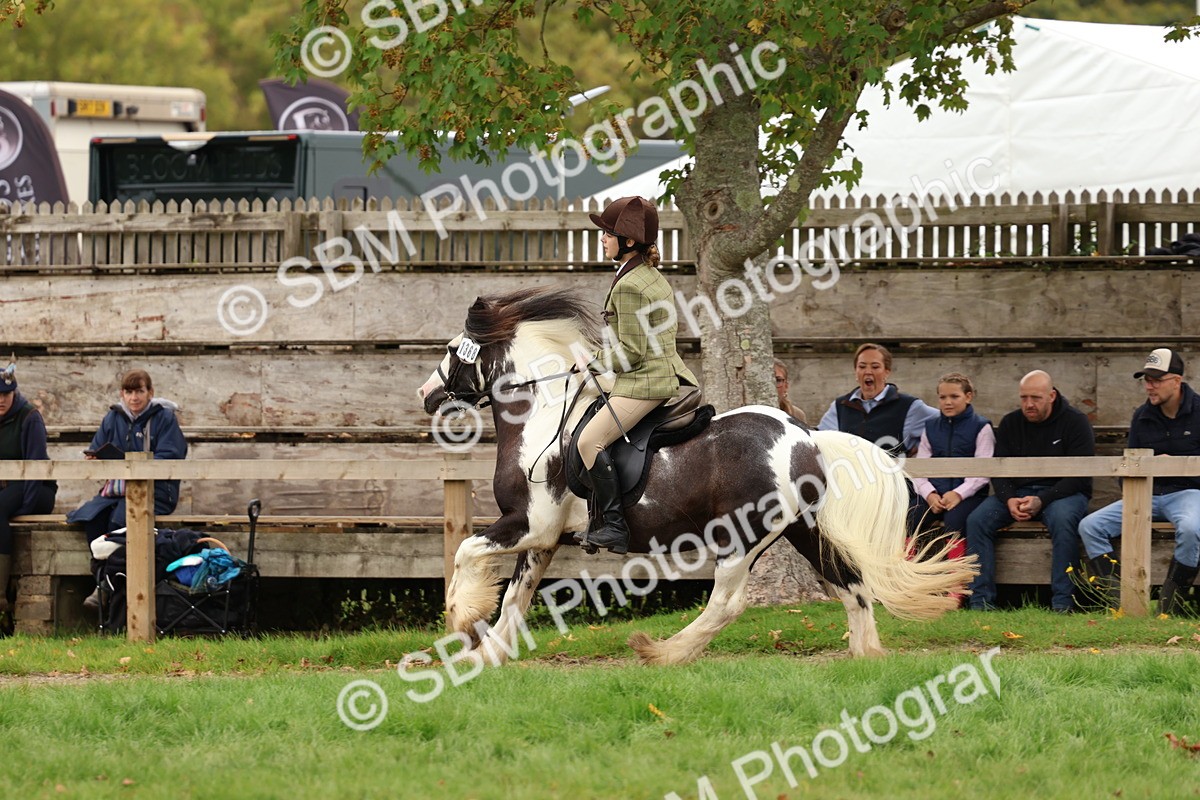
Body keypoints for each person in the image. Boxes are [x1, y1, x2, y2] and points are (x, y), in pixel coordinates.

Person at [573, 196, 697, 555]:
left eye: (607, 233)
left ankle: (613, 525)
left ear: (627, 241)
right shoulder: (648, 275)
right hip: (659, 371)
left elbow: (630, 352)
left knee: (588, 442)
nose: (602, 238)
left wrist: (592, 361)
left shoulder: (629, 286)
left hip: (645, 382)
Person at [1078, 349, 1200, 614]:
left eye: (1156, 379)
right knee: (1090, 526)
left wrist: (1176, 466)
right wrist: (1135, 495)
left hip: (1189, 493)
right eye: (1146, 379)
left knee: (1191, 529)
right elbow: (1129, 466)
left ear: (1176, 381)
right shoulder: (1141, 415)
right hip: (1145, 493)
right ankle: (1122, 602)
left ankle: (1171, 607)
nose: (1149, 386)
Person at [964, 370, 1094, 612]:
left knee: (1064, 520)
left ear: (1052, 395)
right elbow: (999, 470)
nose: (1029, 404)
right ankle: (980, 602)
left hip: (1062, 494)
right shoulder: (1011, 422)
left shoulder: (1076, 422)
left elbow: (1081, 476)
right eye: (1024, 398)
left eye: (1035, 398)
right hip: (1018, 491)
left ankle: (1064, 603)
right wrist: (1009, 498)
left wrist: (1042, 500)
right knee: (977, 520)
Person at [68, 370, 188, 608]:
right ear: (122, 394)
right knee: (92, 519)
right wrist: (96, 458)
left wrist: (136, 464)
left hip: (157, 491)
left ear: (150, 393)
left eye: (140, 391)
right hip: (115, 490)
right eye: (129, 392)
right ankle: (104, 582)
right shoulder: (113, 418)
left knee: (119, 521)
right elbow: (96, 448)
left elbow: (172, 455)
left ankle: (110, 586)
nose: (134, 397)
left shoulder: (164, 418)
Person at [0, 365, 57, 618]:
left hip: (35, 490)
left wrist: (25, 508)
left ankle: (1, 597)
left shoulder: (29, 417)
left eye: (5, 394)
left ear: (14, 392)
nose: (1, 400)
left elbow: (36, 467)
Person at [909, 372, 995, 537]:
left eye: (954, 396)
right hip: (935, 495)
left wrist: (958, 494)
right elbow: (920, 468)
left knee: (955, 522)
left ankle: (956, 562)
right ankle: (908, 561)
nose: (947, 402)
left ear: (968, 397)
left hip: (969, 496)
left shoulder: (981, 427)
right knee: (910, 518)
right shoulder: (930, 427)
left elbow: (983, 472)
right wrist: (929, 494)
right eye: (943, 397)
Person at [817, 343, 936, 456]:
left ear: (887, 372)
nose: (868, 371)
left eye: (875, 367)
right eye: (862, 366)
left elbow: (945, 421)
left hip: (892, 475)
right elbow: (819, 439)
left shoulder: (909, 406)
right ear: (856, 372)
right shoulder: (840, 407)